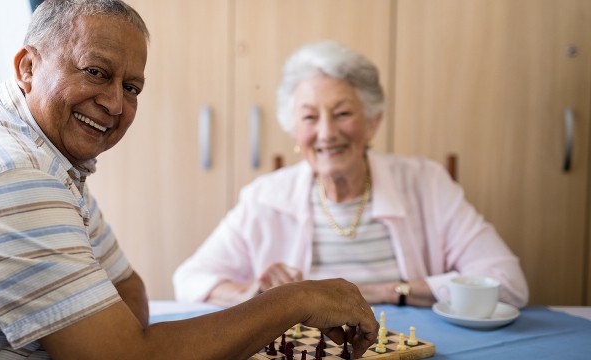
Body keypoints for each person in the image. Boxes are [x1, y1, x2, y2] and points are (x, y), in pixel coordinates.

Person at [0, 2, 378, 359]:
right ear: (28, 67)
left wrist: (108, 336)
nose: (115, 104)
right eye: (96, 72)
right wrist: (294, 300)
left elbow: (126, 285)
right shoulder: (9, 175)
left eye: (131, 87)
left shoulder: (43, 154)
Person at [173, 40, 529, 310]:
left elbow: (509, 284)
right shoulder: (265, 197)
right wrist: (252, 295)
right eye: (310, 118)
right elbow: (189, 280)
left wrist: (385, 292)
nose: (327, 133)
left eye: (342, 113)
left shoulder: (427, 183)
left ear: (373, 122)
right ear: (295, 131)